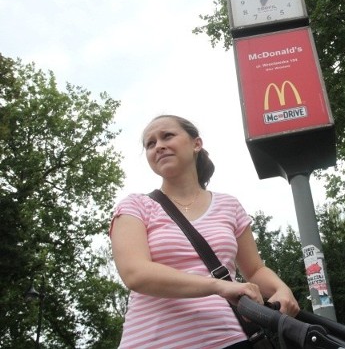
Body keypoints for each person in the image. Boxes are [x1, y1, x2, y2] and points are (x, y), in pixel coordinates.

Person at [110, 115, 300, 348]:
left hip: (228, 339)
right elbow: (135, 273)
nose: (158, 145)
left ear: (196, 144)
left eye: (167, 136)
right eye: (150, 144)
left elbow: (255, 269)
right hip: (152, 342)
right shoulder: (135, 206)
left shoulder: (229, 206)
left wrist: (282, 289)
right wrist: (218, 285)